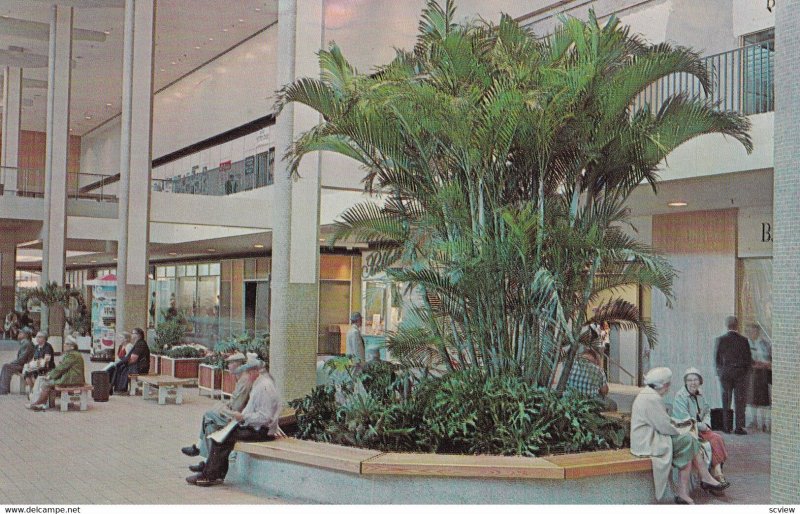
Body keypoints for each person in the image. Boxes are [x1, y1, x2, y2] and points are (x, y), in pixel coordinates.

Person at [630, 367, 729, 504]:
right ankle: (704, 478)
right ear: (664, 385)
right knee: (688, 440)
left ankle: (686, 491)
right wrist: (683, 429)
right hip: (648, 442)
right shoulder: (652, 398)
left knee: (688, 445)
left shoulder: (649, 394)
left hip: (649, 438)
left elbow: (664, 422)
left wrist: (683, 426)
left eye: (695, 380)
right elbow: (665, 426)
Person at [186, 359, 282, 487]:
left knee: (221, 439)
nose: (246, 376)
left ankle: (208, 476)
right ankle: (216, 473)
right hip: (256, 427)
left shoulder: (263, 387)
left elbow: (265, 417)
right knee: (220, 436)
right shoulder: (261, 383)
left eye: (247, 373)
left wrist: (243, 417)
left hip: (261, 431)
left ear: (254, 372)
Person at [181, 352, 254, 472]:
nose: (228, 366)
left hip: (240, 420)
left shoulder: (244, 382)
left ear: (238, 365)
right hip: (238, 415)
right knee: (210, 426)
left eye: (230, 363)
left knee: (208, 415)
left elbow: (237, 407)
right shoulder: (241, 378)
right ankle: (206, 463)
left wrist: (223, 409)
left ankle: (199, 448)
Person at [671, 368, 729, 485]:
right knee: (706, 443)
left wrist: (706, 424)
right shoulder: (680, 397)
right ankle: (714, 477)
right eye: (689, 380)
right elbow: (685, 421)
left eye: (695, 379)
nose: (693, 383)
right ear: (685, 382)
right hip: (687, 431)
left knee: (717, 438)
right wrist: (703, 427)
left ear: (700, 381)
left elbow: (707, 411)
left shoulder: (700, 394)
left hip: (700, 428)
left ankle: (717, 472)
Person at [714, 316, 753, 434]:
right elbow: (748, 359)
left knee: (726, 400)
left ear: (727, 325)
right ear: (737, 325)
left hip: (725, 374)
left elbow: (717, 359)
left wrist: (720, 372)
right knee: (739, 401)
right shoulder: (744, 340)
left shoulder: (720, 340)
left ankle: (726, 427)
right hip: (740, 374)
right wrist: (746, 372)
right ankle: (738, 427)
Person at [27, 337, 85, 411]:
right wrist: (50, 375)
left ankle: (38, 404)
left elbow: (61, 368)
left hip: (72, 379)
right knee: (44, 380)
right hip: (71, 378)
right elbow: (61, 367)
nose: (64, 345)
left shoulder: (72, 355)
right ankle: (38, 403)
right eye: (64, 343)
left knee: (46, 383)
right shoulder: (72, 354)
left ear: (72, 347)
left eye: (67, 344)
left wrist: (50, 376)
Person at [745, 323, 772, 432]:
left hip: (763, 374)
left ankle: (764, 423)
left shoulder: (765, 344)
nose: (750, 334)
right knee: (752, 399)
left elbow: (770, 357)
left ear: (757, 332)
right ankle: (754, 421)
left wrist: (766, 364)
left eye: (752, 331)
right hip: (752, 374)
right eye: (749, 331)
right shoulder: (746, 343)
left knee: (764, 400)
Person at [110, 327, 150, 393]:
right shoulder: (138, 343)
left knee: (122, 368)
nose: (131, 335)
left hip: (140, 368)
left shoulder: (140, 344)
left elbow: (133, 359)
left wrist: (123, 362)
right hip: (138, 366)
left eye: (133, 333)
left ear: (138, 335)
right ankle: (117, 388)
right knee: (119, 367)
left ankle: (120, 388)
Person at [0, 326, 36, 394]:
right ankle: (3, 389)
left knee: (6, 367)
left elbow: (22, 359)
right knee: (6, 366)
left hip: (25, 366)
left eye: (21, 332)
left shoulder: (27, 343)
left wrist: (12, 363)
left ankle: (3, 390)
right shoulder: (26, 343)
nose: (19, 333)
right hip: (24, 365)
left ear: (26, 335)